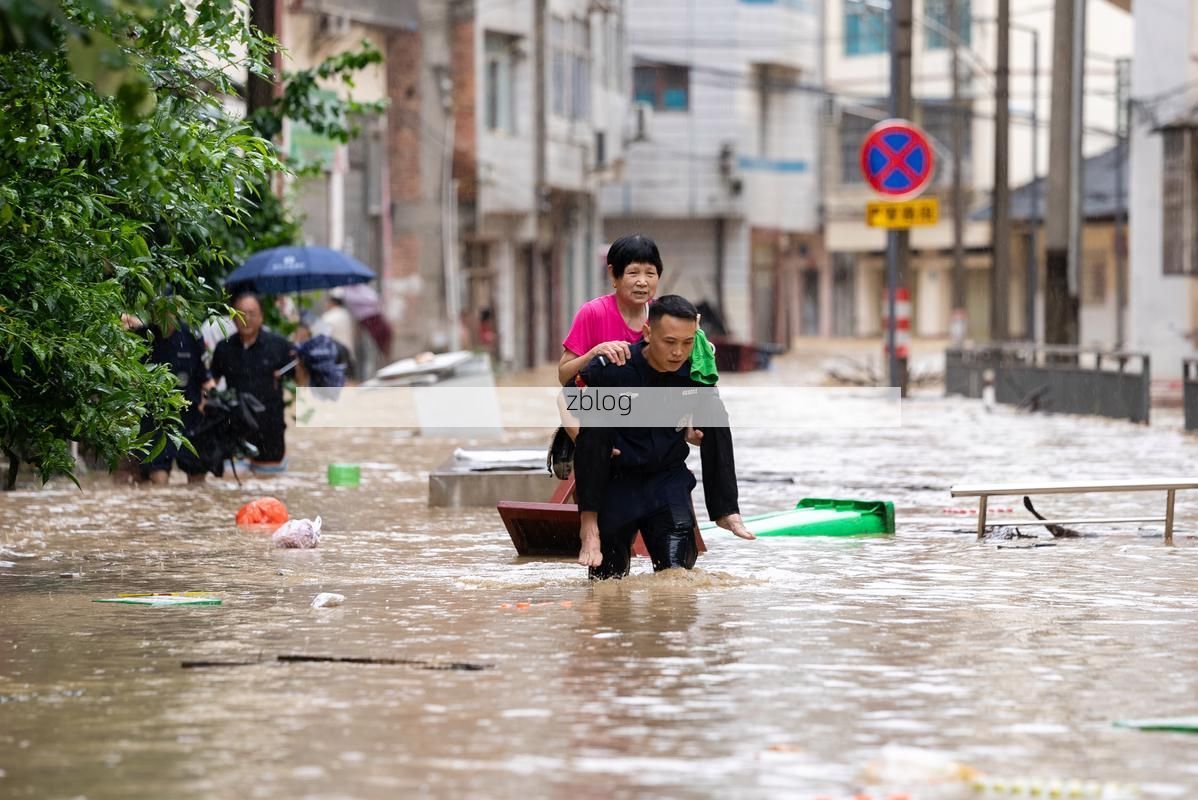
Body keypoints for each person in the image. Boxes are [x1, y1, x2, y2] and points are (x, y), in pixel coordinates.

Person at [572, 295, 755, 580]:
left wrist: (692, 425)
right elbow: (572, 405)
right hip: (616, 482)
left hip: (666, 481)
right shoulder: (614, 367)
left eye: (687, 343)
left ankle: (726, 512)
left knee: (676, 578)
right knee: (607, 583)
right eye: (669, 342)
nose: (678, 352)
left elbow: (711, 424)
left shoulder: (694, 370)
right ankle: (589, 525)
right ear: (647, 333)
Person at [558, 234, 662, 387]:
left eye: (650, 273)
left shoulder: (663, 316)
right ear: (613, 274)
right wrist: (594, 353)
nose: (642, 282)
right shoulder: (593, 313)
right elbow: (563, 375)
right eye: (633, 273)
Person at [209, 291, 294, 473]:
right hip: (234, 433)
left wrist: (304, 358)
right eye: (241, 313)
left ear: (262, 316)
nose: (246, 318)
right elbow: (210, 384)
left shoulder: (279, 346)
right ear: (232, 317)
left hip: (270, 432)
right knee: (231, 491)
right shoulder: (223, 348)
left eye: (252, 313)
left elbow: (301, 381)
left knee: (269, 493)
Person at [122, 315, 212, 485]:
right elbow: (131, 377)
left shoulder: (192, 335)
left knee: (197, 477)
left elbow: (205, 376)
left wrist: (209, 399)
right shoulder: (143, 336)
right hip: (155, 419)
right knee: (158, 478)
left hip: (190, 417)